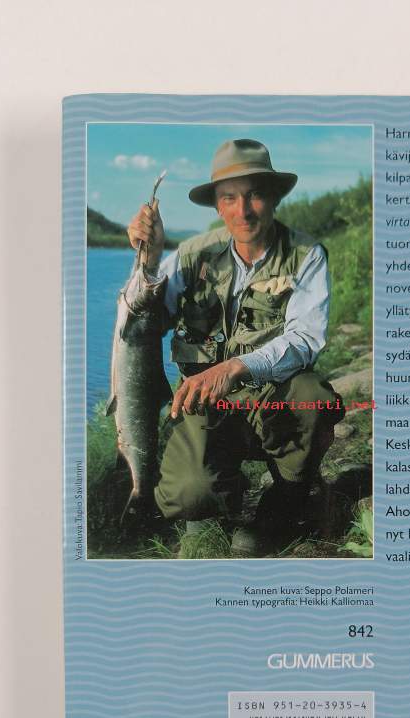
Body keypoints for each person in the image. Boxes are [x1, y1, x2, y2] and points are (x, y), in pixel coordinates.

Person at [126, 138, 344, 555]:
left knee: (314, 397)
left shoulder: (306, 255)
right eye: (230, 198)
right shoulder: (191, 255)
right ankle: (212, 503)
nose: (243, 211)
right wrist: (148, 261)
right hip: (203, 405)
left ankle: (289, 496)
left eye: (255, 195)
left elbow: (305, 339)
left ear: (274, 197)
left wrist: (236, 367)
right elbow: (142, 323)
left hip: (271, 399)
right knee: (188, 494)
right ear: (217, 206)